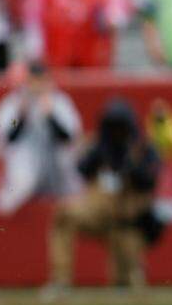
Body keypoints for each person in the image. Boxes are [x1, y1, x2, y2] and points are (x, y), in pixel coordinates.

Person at [48, 99, 161, 289]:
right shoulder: (100, 145)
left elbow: (150, 181)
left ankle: (130, 276)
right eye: (112, 127)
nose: (116, 132)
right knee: (63, 216)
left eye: (120, 127)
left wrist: (130, 165)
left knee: (126, 284)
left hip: (127, 221)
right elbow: (82, 169)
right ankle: (60, 280)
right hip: (99, 214)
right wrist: (98, 150)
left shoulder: (142, 148)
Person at [0, 61, 82, 216]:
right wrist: (21, 116)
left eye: (41, 80)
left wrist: (51, 116)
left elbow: (69, 137)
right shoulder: (15, 102)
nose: (37, 85)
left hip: (55, 164)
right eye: (33, 80)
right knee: (21, 184)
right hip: (25, 163)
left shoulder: (58, 102)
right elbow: (6, 136)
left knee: (68, 171)